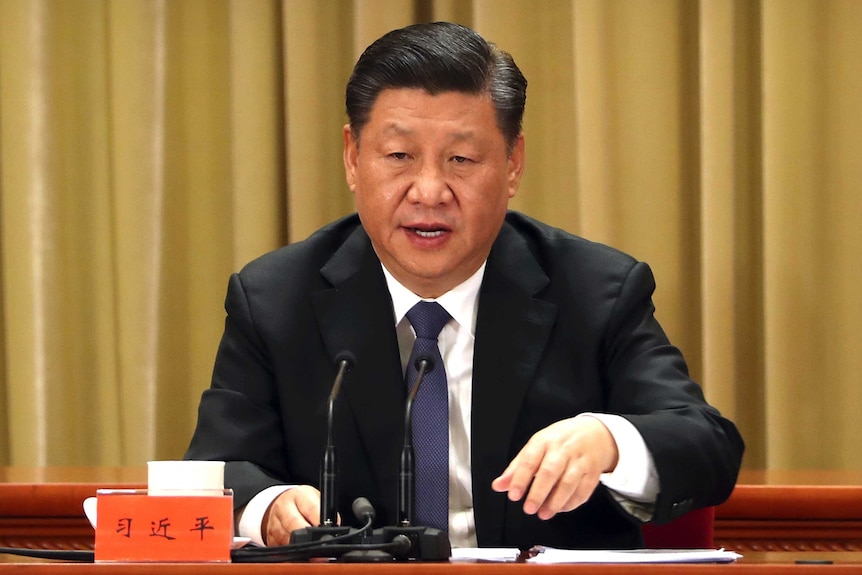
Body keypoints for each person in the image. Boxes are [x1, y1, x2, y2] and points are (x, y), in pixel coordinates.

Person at [185, 21, 744, 551]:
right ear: (353, 158)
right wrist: (269, 506)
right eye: (400, 156)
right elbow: (217, 467)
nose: (429, 191)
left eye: (461, 159)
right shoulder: (275, 298)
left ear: (513, 163)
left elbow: (707, 446)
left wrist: (611, 441)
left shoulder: (595, 291)